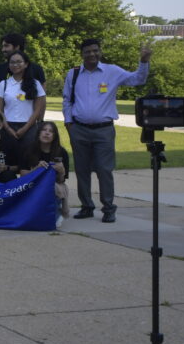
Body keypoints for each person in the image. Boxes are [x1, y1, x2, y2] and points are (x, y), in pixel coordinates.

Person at [63, 39, 151, 223]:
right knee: (82, 170)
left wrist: (143, 62)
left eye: (95, 51)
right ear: (82, 54)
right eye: (88, 51)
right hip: (79, 129)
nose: (92, 54)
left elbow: (138, 79)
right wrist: (69, 123)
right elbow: (67, 100)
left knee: (104, 170)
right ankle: (86, 206)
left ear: (100, 52)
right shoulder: (74, 74)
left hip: (103, 130)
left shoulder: (112, 71)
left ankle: (108, 208)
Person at [21, 121, 71, 228]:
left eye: (51, 131)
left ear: (54, 136)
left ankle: (56, 212)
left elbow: (61, 181)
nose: (47, 133)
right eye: (44, 130)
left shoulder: (61, 152)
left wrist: (61, 171)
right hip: (32, 185)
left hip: (53, 186)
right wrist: (36, 169)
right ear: (38, 133)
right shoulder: (29, 150)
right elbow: (23, 176)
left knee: (55, 189)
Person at [0, 50, 46, 152]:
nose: (15, 65)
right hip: (7, 126)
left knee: (27, 158)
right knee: (8, 157)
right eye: (12, 62)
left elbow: (37, 110)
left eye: (19, 62)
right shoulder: (3, 84)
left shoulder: (35, 84)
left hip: (29, 126)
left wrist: (25, 128)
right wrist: (8, 128)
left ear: (26, 64)